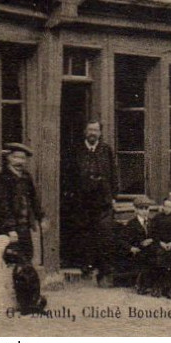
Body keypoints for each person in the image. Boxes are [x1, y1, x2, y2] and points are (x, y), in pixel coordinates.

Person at [66, 120, 120, 279]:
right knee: (84, 233)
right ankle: (86, 265)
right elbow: (68, 175)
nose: (93, 133)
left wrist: (114, 196)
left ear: (100, 133)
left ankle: (104, 268)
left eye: (96, 130)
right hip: (82, 201)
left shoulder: (106, 150)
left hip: (103, 200)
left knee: (104, 233)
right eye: (90, 129)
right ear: (85, 131)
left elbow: (113, 174)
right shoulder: (76, 150)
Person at [0, 142, 48, 262]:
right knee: (12, 258)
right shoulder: (3, 179)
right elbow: (3, 205)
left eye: (22, 158)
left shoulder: (26, 177)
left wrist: (41, 218)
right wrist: (10, 229)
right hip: (8, 227)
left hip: (24, 226)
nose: (19, 162)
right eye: (16, 157)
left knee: (27, 255)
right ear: (8, 158)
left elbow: (34, 199)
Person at [122, 195, 155, 291]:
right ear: (136, 210)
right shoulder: (131, 224)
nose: (145, 211)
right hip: (138, 251)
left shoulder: (152, 222)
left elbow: (158, 235)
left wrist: (152, 240)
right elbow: (123, 240)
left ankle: (158, 285)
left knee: (158, 257)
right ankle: (143, 285)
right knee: (146, 258)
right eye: (141, 208)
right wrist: (131, 248)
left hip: (151, 250)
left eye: (146, 208)